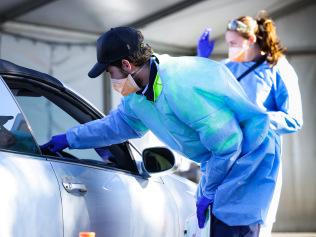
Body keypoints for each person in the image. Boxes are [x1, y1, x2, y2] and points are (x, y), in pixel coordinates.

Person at [41, 26, 281, 237]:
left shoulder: (181, 85)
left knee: (231, 226)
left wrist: (208, 190)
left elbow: (228, 143)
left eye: (109, 71)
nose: (110, 78)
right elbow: (117, 126)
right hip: (219, 157)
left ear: (126, 65)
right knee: (215, 225)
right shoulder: (138, 95)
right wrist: (70, 138)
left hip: (250, 156)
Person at [197, 11, 303, 237]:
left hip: (257, 162)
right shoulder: (227, 66)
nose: (230, 49)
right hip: (225, 158)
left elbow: (294, 119)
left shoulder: (277, 69)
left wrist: (257, 119)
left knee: (249, 226)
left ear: (251, 40)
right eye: (227, 44)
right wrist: (202, 62)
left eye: (234, 43)